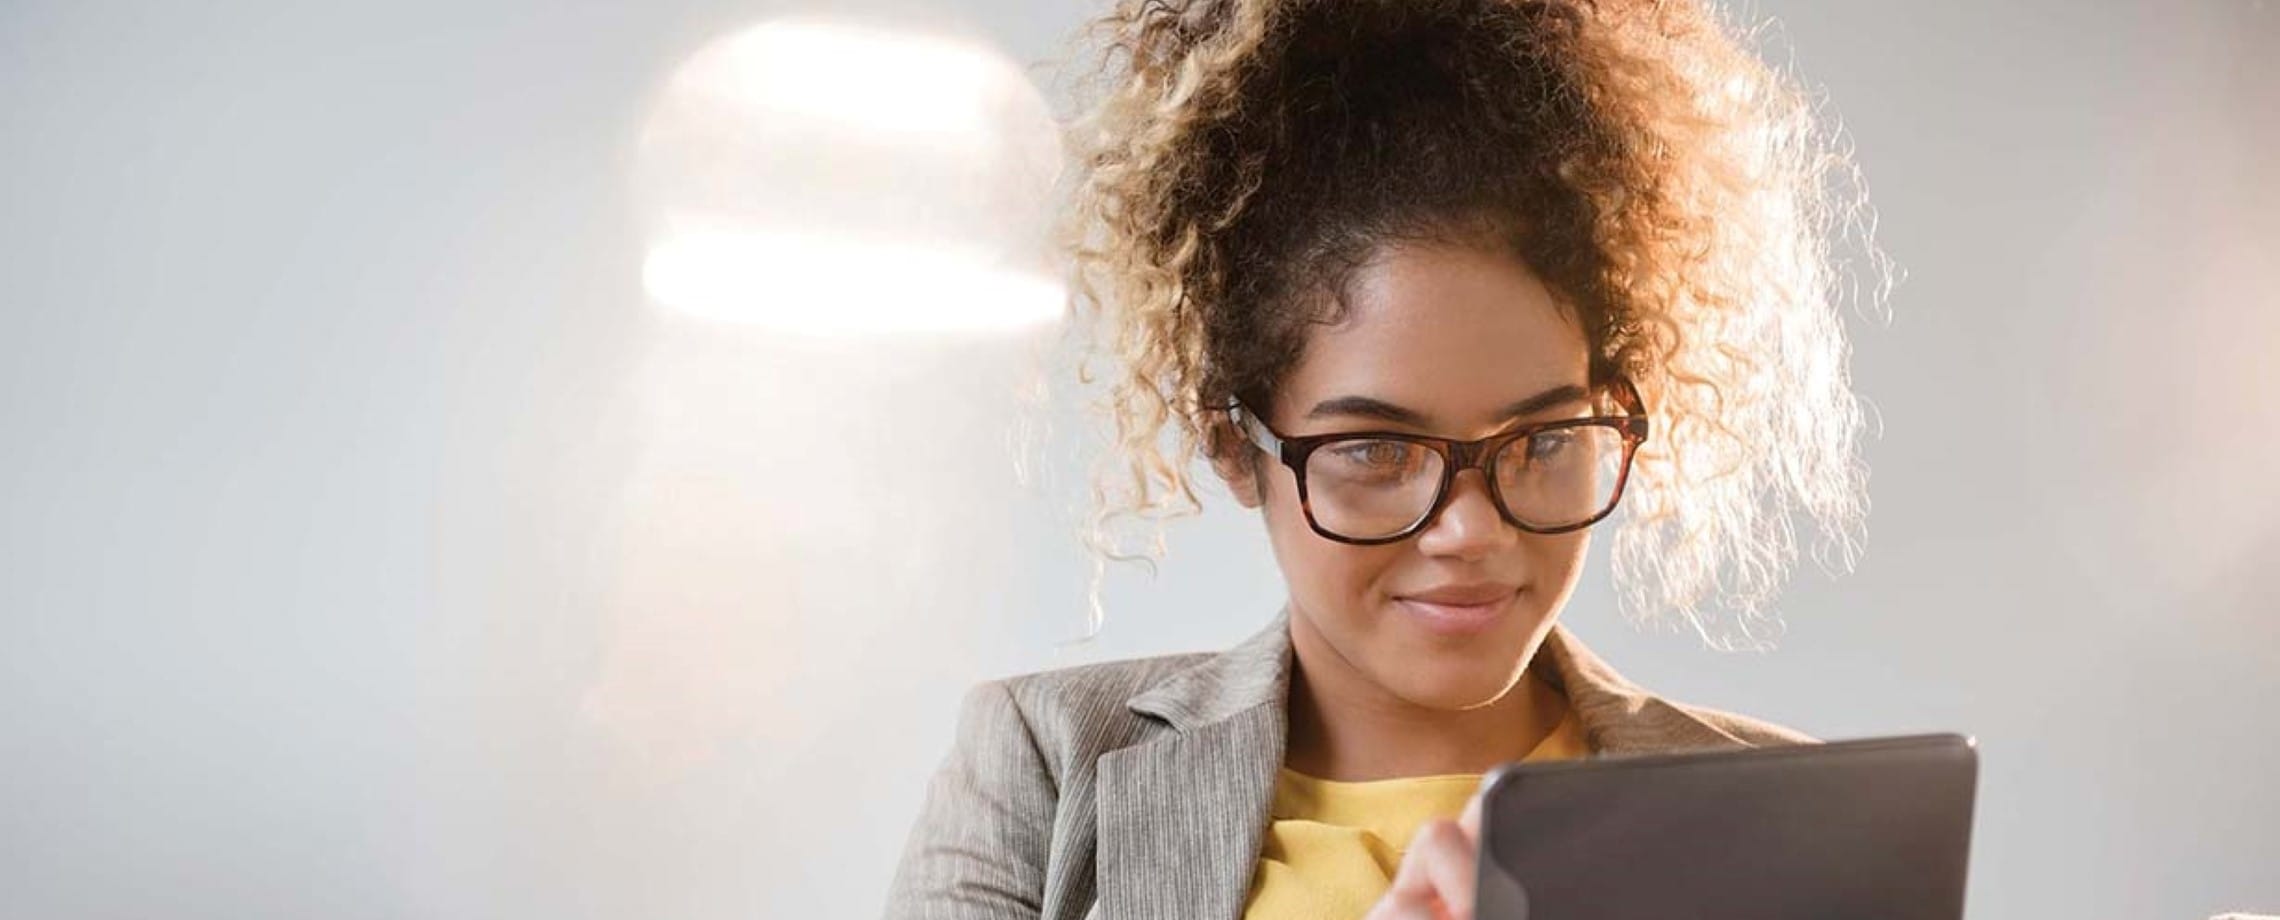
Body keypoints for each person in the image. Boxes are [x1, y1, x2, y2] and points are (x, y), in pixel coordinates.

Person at [887, 0, 1880, 917]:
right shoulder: (1052, 759)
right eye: (1375, 448)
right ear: (1238, 445)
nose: (1471, 529)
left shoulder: (1780, 809)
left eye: (1540, 439)